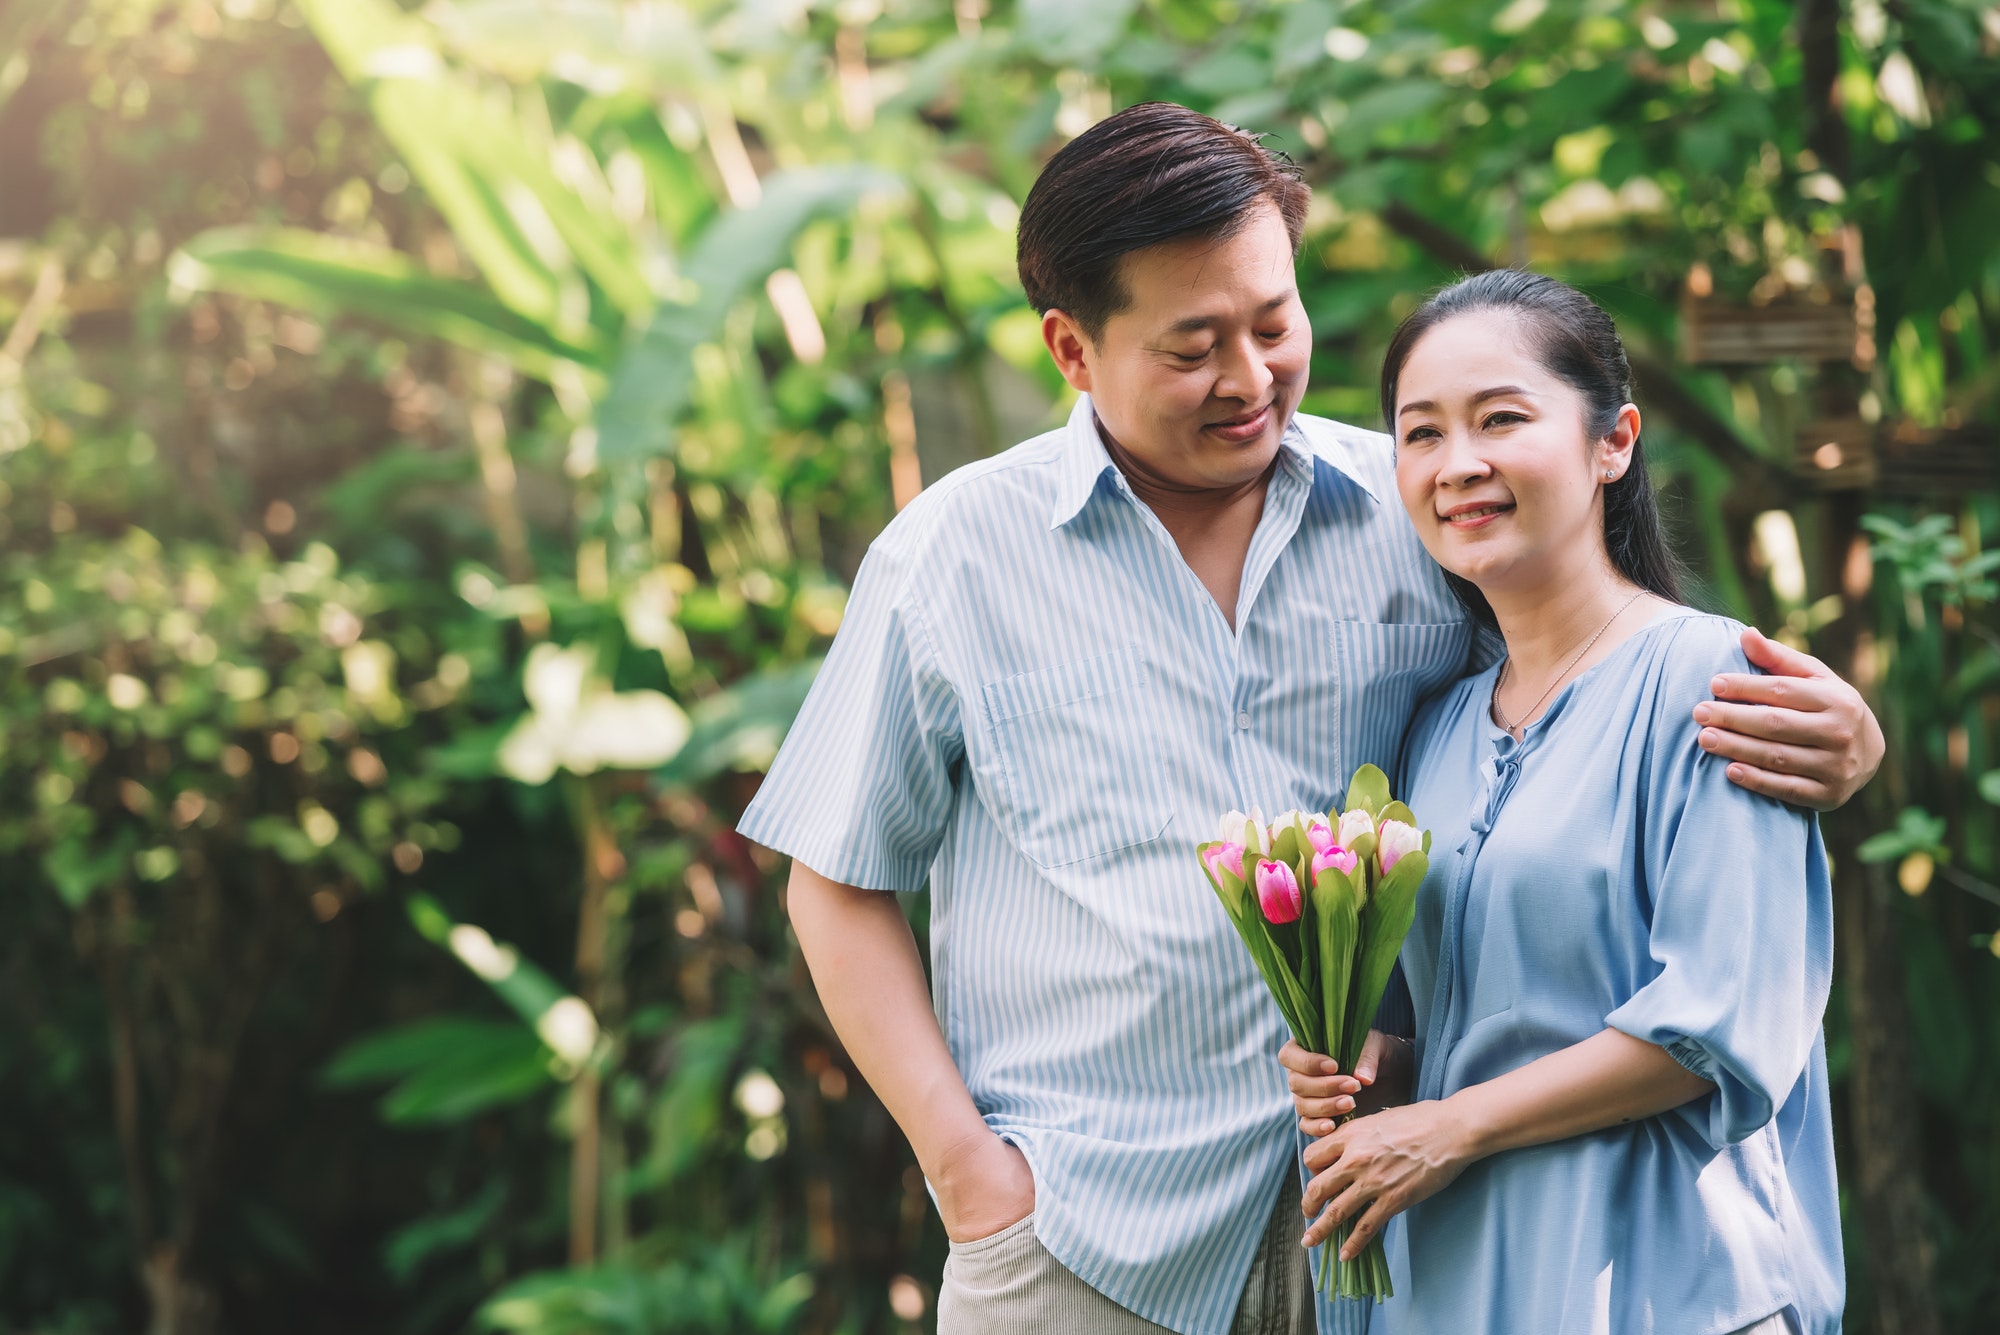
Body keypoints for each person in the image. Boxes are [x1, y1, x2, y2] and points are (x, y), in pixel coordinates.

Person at [740, 105, 1874, 1335]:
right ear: (1072, 349)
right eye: (1190, 348)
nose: (1247, 377)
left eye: (1272, 323)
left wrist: (1846, 741)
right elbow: (836, 884)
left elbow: (1595, 681)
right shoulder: (952, 558)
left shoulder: (1418, 511)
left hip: (1395, 1239)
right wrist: (972, 1180)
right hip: (1084, 1237)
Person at [1281, 270, 1842, 1334]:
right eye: (1421, 433)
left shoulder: (1715, 687)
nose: (1459, 465)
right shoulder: (1431, 726)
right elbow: (1452, 1019)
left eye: (1500, 419)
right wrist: (1373, 1068)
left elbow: (1715, 1027)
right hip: (1455, 1285)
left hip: (1657, 1283)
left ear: (1611, 440)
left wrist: (1448, 1128)